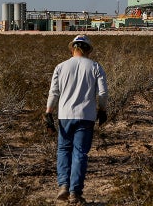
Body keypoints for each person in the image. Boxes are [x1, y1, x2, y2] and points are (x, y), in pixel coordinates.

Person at [45, 34, 109, 205]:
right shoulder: (95, 66)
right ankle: (75, 192)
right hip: (86, 116)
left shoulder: (61, 67)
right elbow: (102, 93)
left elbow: (54, 92)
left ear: (72, 48)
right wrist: (102, 110)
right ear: (88, 49)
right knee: (80, 153)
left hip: (65, 115)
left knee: (63, 150)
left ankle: (63, 186)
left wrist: (48, 113)